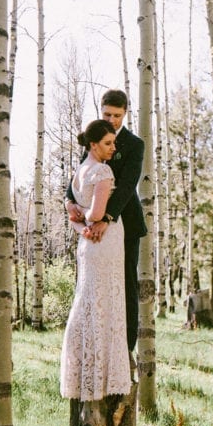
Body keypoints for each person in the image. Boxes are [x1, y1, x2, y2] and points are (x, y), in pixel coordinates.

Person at [65, 89, 146, 353]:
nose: (111, 120)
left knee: (126, 285)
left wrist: (106, 218)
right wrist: (69, 201)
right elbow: (80, 174)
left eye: (117, 115)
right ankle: (97, 345)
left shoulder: (134, 144)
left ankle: (126, 348)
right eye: (107, 114)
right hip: (94, 224)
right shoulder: (95, 136)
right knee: (96, 285)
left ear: (125, 114)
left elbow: (127, 186)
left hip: (126, 223)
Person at [60, 120, 132, 402]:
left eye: (114, 143)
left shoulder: (80, 171)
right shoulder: (102, 171)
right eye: (108, 143)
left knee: (90, 300)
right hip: (105, 243)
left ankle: (86, 371)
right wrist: (87, 215)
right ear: (93, 145)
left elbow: (76, 217)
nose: (113, 148)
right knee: (105, 302)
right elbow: (97, 214)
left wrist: (80, 220)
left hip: (88, 243)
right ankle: (102, 376)